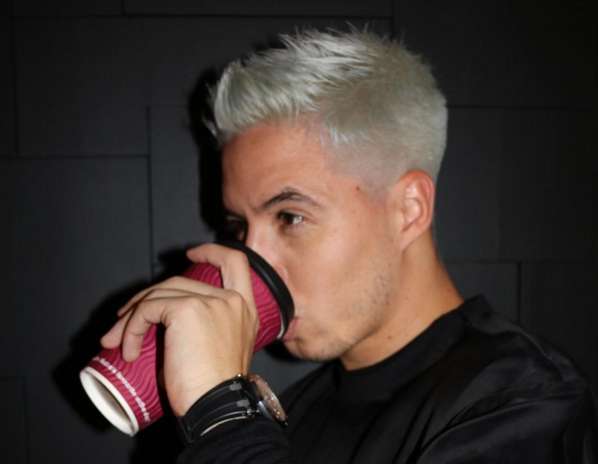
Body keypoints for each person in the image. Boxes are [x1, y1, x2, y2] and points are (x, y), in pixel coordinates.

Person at [101, 29, 598, 462]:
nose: (252, 262)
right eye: (238, 227)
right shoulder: (295, 411)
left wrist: (221, 413)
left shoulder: (523, 405)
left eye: (290, 216)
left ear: (408, 209)